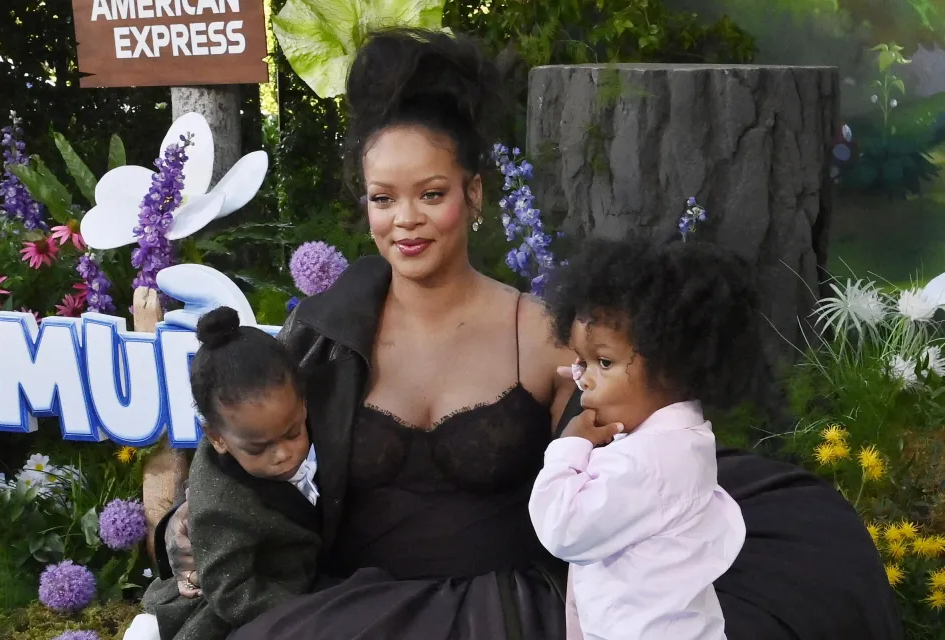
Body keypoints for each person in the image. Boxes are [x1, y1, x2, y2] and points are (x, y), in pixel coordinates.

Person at [151, 28, 903, 640]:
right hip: (359, 607)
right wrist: (180, 527)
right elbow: (252, 459)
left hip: (511, 610)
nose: (405, 219)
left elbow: (632, 462)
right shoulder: (325, 337)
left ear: (473, 195)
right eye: (384, 198)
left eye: (431, 194)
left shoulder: (545, 333)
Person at [529, 238, 757, 639]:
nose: (585, 379)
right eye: (581, 362)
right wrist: (597, 371)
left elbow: (562, 528)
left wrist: (568, 446)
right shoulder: (680, 441)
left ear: (670, 367)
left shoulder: (648, 462)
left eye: (604, 362)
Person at [127, 307, 321, 640]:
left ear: (303, 404)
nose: (283, 454)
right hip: (239, 605)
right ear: (217, 438)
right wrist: (308, 609)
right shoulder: (221, 503)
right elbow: (229, 592)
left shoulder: (322, 425)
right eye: (259, 449)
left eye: (292, 433)